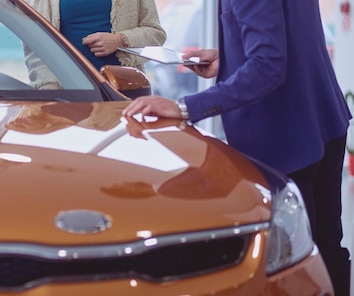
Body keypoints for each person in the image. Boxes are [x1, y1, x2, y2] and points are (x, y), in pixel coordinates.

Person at [122, 0, 352, 295]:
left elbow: (268, 67)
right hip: (323, 119)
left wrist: (185, 107)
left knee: (295, 264)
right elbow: (286, 41)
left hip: (285, 138)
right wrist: (228, 58)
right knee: (327, 249)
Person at [24, 0, 166, 89]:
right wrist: (48, 85)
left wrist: (119, 40)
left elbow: (156, 34)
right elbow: (35, 43)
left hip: (124, 90)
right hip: (68, 91)